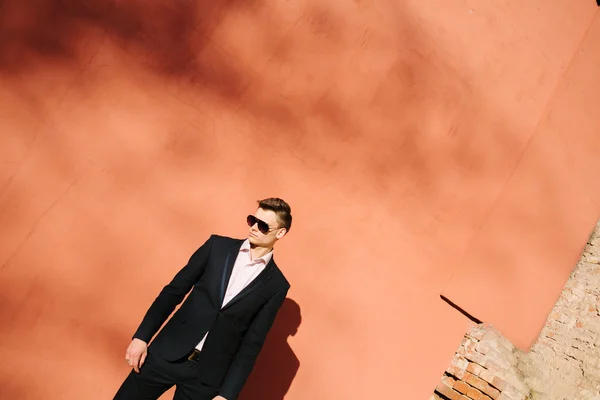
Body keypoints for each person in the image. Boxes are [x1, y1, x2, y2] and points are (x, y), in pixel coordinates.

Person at [113, 198, 292, 400]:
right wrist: (142, 337)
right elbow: (173, 292)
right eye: (252, 220)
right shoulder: (217, 247)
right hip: (166, 354)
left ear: (280, 232)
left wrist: (227, 394)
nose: (254, 228)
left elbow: (252, 343)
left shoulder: (276, 285)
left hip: (206, 378)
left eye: (263, 225)